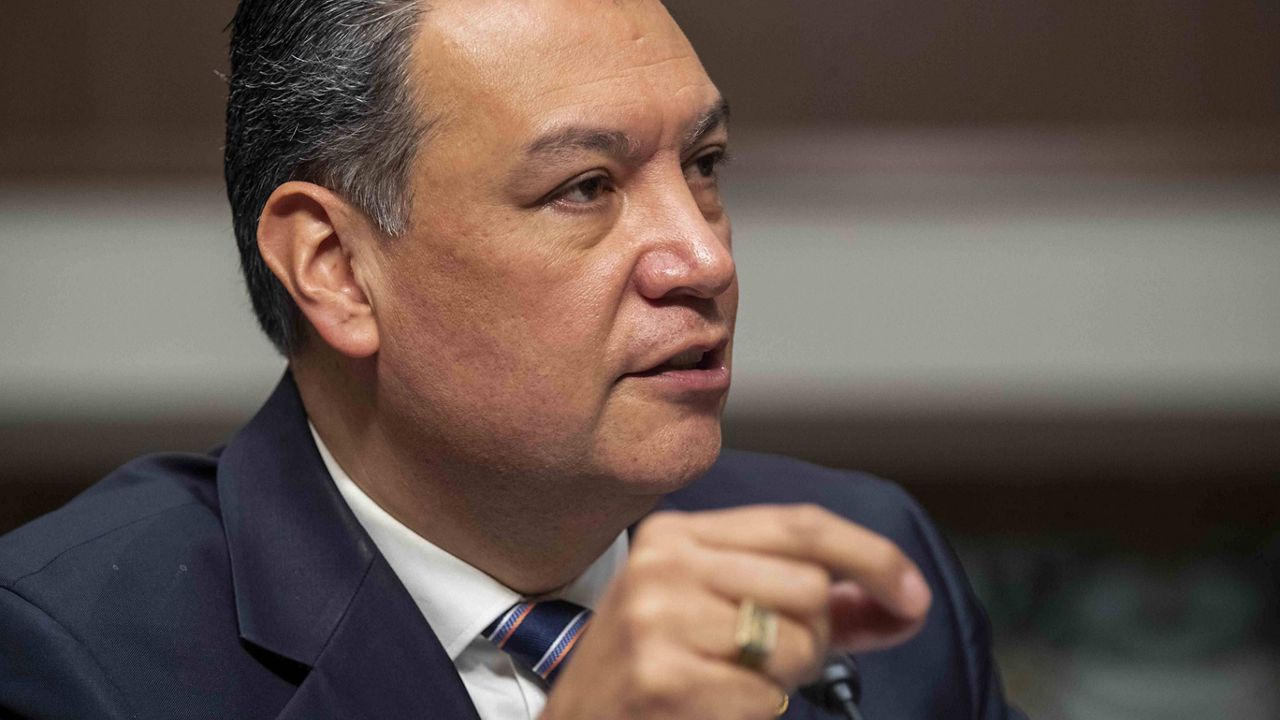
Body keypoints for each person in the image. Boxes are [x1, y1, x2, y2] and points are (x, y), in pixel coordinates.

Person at [0, 1, 1025, 718]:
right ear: (336, 270)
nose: (705, 260)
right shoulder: (68, 655)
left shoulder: (852, 567)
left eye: (704, 166)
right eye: (585, 188)